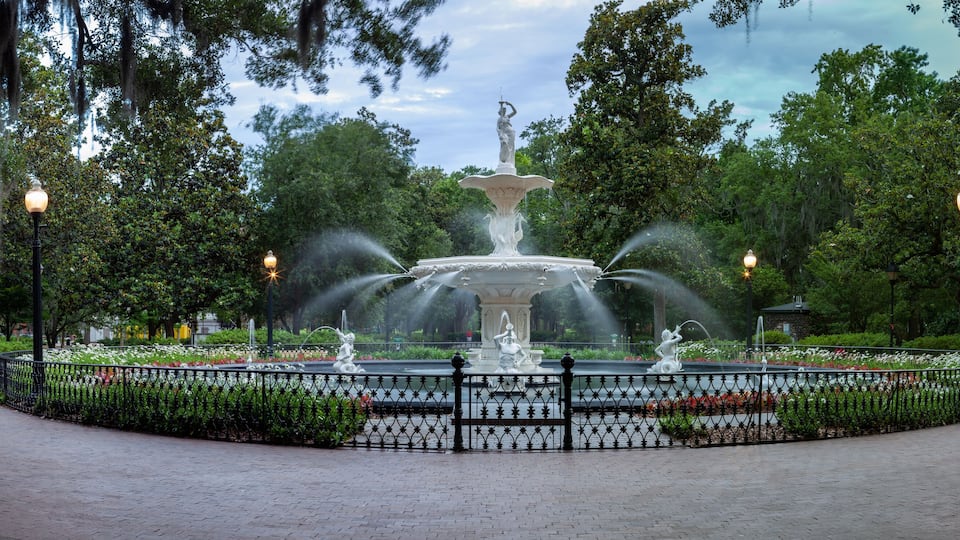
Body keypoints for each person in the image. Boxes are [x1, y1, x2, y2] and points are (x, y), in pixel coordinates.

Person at [497, 100, 517, 167]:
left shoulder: (507, 117)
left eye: (505, 111)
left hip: (511, 133)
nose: (504, 112)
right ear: (500, 112)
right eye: (503, 111)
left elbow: (515, 112)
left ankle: (509, 161)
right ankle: (503, 160)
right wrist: (500, 135)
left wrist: (510, 104)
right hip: (504, 134)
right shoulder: (499, 119)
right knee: (504, 145)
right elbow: (497, 128)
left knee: (510, 147)